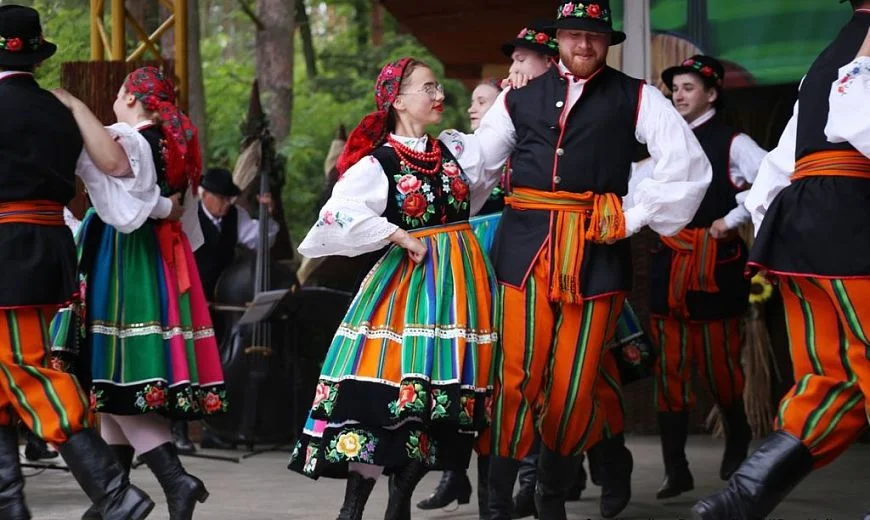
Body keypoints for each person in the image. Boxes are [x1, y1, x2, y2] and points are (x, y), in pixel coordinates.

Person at [475, 1, 712, 518]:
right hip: (524, 252)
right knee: (515, 375)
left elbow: (687, 168)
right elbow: (477, 168)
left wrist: (631, 217)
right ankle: (494, 503)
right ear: (557, 38)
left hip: (597, 253)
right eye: (574, 35)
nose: (585, 46)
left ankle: (551, 497)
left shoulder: (638, 97)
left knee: (576, 380)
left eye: (596, 37)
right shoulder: (517, 101)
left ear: (608, 43)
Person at [286, 57, 501, 520]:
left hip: (460, 293)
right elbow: (335, 215)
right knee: (385, 396)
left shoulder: (455, 151)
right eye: (429, 87)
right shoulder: (379, 163)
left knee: (439, 403)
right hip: (408, 292)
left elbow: (494, 153)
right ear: (399, 100)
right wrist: (396, 234)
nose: (439, 95)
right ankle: (353, 510)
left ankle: (399, 500)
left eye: (439, 86)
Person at [692, 3, 870, 519]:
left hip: (803, 232)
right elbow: (857, 117)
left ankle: (741, 498)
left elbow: (779, 161)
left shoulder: (827, 56)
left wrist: (767, 221)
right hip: (852, 221)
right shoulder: (861, 48)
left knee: (832, 379)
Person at [0, 5, 155, 520]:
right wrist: (73, 105)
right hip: (47, 250)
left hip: (4, 252)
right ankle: (10, 507)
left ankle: (115, 493)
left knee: (26, 367)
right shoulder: (58, 109)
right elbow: (115, 165)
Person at [50, 65, 226, 520]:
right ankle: (114, 498)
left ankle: (175, 480)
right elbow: (171, 208)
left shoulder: (139, 140)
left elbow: (113, 165)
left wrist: (73, 105)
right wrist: (165, 206)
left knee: (117, 372)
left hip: (126, 255)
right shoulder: (171, 143)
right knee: (112, 384)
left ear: (131, 96)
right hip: (152, 255)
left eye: (121, 89)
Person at [628, 54, 765, 500]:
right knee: (669, 369)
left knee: (721, 365)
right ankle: (676, 468)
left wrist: (732, 217)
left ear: (711, 93)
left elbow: (774, 184)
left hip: (714, 266)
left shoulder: (734, 142)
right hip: (669, 264)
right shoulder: (661, 139)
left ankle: (739, 439)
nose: (680, 95)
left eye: (689, 87)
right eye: (676, 88)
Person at [414, 77, 502, 519]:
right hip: (464, 258)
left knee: (490, 372)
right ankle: (453, 474)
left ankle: (528, 478)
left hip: (502, 257)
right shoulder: (458, 151)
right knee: (453, 365)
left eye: (483, 101)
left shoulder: (509, 150)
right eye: (471, 102)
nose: (471, 109)